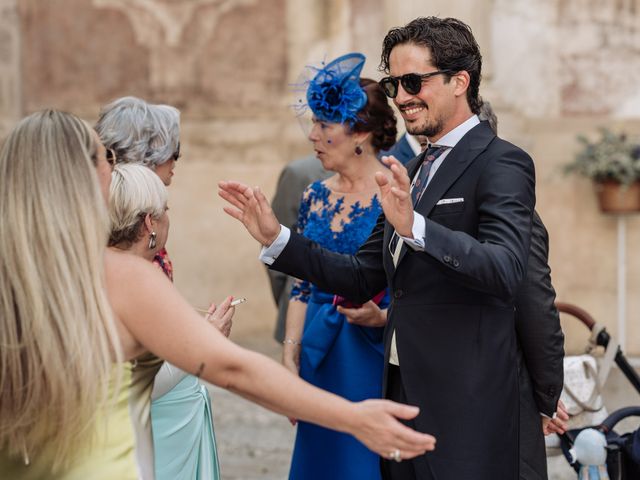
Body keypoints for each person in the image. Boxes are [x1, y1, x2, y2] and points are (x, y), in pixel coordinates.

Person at [0, 110, 436, 479]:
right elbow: (233, 368)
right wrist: (354, 418)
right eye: (107, 157)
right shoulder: (123, 279)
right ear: (81, 175)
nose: (113, 168)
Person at [219, 16, 537, 479]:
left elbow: (507, 270)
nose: (402, 96)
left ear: (459, 82)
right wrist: (276, 239)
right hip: (397, 395)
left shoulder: (503, 162)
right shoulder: (416, 166)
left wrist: (416, 228)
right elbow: (359, 274)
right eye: (394, 84)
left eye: (413, 81)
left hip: (464, 404)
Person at [280, 53, 398, 480]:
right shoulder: (314, 195)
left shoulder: (396, 193)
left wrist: (383, 316)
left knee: (361, 463)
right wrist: (290, 356)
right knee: (320, 460)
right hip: (318, 346)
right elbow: (300, 287)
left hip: (369, 352)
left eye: (324, 125)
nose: (312, 135)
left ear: (359, 134)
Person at [96, 96, 215, 480]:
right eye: (173, 153)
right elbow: (132, 373)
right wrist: (206, 340)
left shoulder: (125, 231)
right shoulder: (127, 251)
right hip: (151, 420)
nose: (175, 165)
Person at [107, 162, 228, 479]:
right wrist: (208, 341)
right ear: (150, 223)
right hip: (150, 447)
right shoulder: (130, 284)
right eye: (166, 210)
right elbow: (131, 385)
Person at [269, 154, 331, 342]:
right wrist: (288, 300)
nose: (313, 134)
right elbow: (277, 250)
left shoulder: (388, 170)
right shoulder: (299, 174)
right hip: (303, 322)